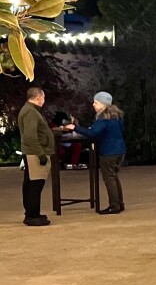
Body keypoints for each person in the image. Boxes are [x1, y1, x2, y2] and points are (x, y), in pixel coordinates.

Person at [69, 91, 126, 215]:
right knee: (114, 176)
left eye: (96, 102)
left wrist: (75, 128)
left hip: (108, 151)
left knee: (109, 178)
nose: (93, 104)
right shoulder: (117, 116)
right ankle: (119, 203)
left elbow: (92, 133)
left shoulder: (103, 118)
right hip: (120, 150)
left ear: (103, 104)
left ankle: (114, 206)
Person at [18, 87, 60, 226]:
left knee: (31, 184)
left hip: (32, 152)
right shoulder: (31, 112)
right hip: (34, 153)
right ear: (38, 98)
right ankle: (32, 215)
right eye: (43, 98)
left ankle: (32, 212)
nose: (44, 100)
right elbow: (31, 136)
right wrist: (41, 154)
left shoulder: (30, 110)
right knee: (35, 184)